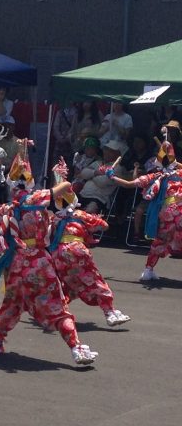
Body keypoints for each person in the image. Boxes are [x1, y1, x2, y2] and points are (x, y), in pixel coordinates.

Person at [0, 149, 98, 366]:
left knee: (11, 304)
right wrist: (61, 175)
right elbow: (64, 188)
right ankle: (76, 348)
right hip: (40, 263)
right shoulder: (36, 197)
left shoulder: (5, 209)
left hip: (16, 264)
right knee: (56, 308)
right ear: (30, 181)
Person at [46, 172, 131, 328]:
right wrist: (96, 221)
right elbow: (103, 226)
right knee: (95, 281)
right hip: (76, 250)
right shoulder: (79, 214)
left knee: (68, 284)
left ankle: (53, 313)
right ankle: (110, 312)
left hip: (59, 255)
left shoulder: (54, 218)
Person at [109, 140, 182, 282]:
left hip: (168, 212)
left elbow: (130, 184)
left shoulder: (155, 176)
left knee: (159, 241)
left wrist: (111, 175)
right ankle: (149, 270)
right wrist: (172, 157)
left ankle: (148, 269)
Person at [79, 139, 126, 216]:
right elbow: (83, 173)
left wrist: (91, 176)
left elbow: (102, 182)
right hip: (83, 194)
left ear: (117, 155)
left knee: (89, 211)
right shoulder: (98, 163)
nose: (106, 152)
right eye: (106, 150)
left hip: (98, 199)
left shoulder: (117, 168)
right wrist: (95, 173)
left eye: (110, 151)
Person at [51, 102, 78, 167]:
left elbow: (76, 127)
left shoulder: (77, 113)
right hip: (60, 144)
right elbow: (56, 127)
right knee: (57, 166)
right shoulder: (60, 112)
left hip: (72, 144)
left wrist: (68, 138)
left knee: (70, 166)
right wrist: (60, 138)